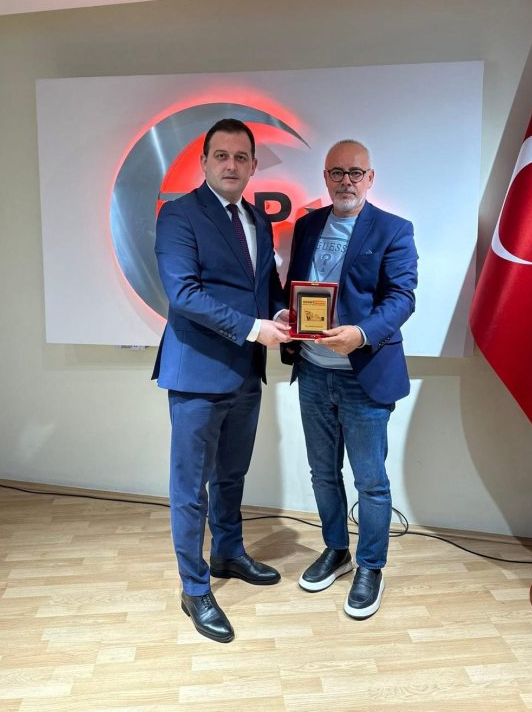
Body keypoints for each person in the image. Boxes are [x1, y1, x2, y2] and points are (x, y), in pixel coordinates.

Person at [152, 118, 290, 643]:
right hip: (196, 370)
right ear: (204, 162)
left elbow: (264, 288)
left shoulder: (257, 219)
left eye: (241, 157)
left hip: (246, 372)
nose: (231, 165)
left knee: (231, 476)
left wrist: (282, 315)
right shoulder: (178, 215)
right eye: (221, 156)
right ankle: (194, 587)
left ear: (253, 165)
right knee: (191, 487)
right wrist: (255, 328)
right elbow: (184, 294)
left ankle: (228, 553)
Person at [283, 139, 417, 619]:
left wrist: (361, 333)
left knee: (371, 482)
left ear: (370, 178)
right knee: (322, 473)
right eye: (337, 173)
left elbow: (402, 298)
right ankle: (336, 549)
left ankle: (370, 566)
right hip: (313, 372)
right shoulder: (307, 226)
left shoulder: (394, 229)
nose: (346, 181)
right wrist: (283, 314)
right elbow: (294, 288)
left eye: (355, 173)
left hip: (364, 377)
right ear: (325, 177)